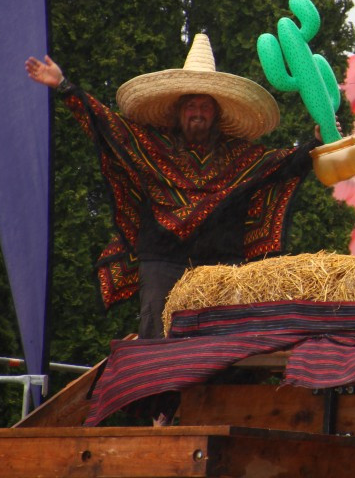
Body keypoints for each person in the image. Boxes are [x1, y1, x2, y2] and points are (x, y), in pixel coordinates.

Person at [25, 34, 321, 339]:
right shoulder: (152, 145)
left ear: (216, 113)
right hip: (162, 260)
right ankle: (159, 386)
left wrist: (318, 142)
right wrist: (64, 87)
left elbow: (283, 165)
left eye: (205, 106)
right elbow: (106, 125)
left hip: (222, 261)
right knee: (156, 331)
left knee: (227, 337)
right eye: (191, 105)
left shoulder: (239, 155)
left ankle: (221, 385)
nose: (198, 113)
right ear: (178, 111)